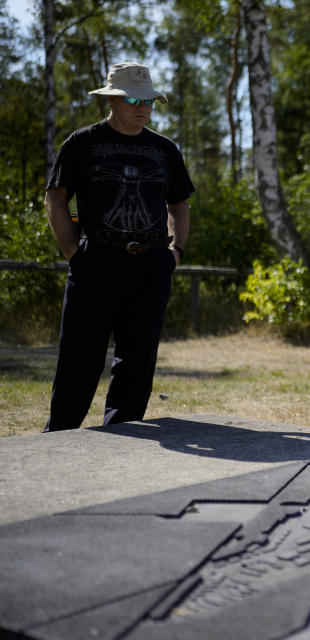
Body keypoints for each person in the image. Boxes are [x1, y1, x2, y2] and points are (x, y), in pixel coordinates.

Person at [44, 61, 194, 431]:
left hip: (151, 264)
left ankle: (122, 438)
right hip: (96, 260)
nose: (142, 107)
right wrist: (73, 253)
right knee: (80, 357)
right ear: (113, 99)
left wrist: (175, 252)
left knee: (138, 360)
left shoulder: (165, 149)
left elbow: (179, 203)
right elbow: (56, 197)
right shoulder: (83, 143)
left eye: (148, 100)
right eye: (132, 99)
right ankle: (58, 439)